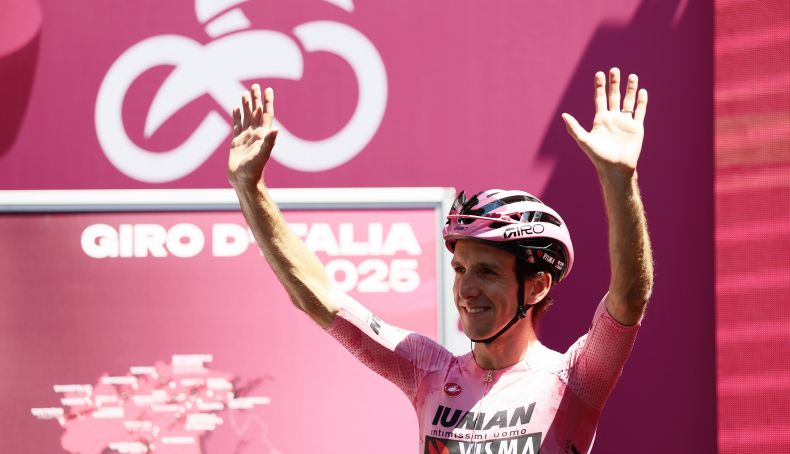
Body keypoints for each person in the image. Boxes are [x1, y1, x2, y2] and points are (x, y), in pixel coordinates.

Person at [227, 67, 653, 453]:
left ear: (537, 285)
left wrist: (620, 180)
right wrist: (250, 187)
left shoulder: (574, 379)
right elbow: (319, 296)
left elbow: (629, 297)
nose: (466, 289)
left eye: (487, 272)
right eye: (460, 269)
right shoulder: (427, 369)